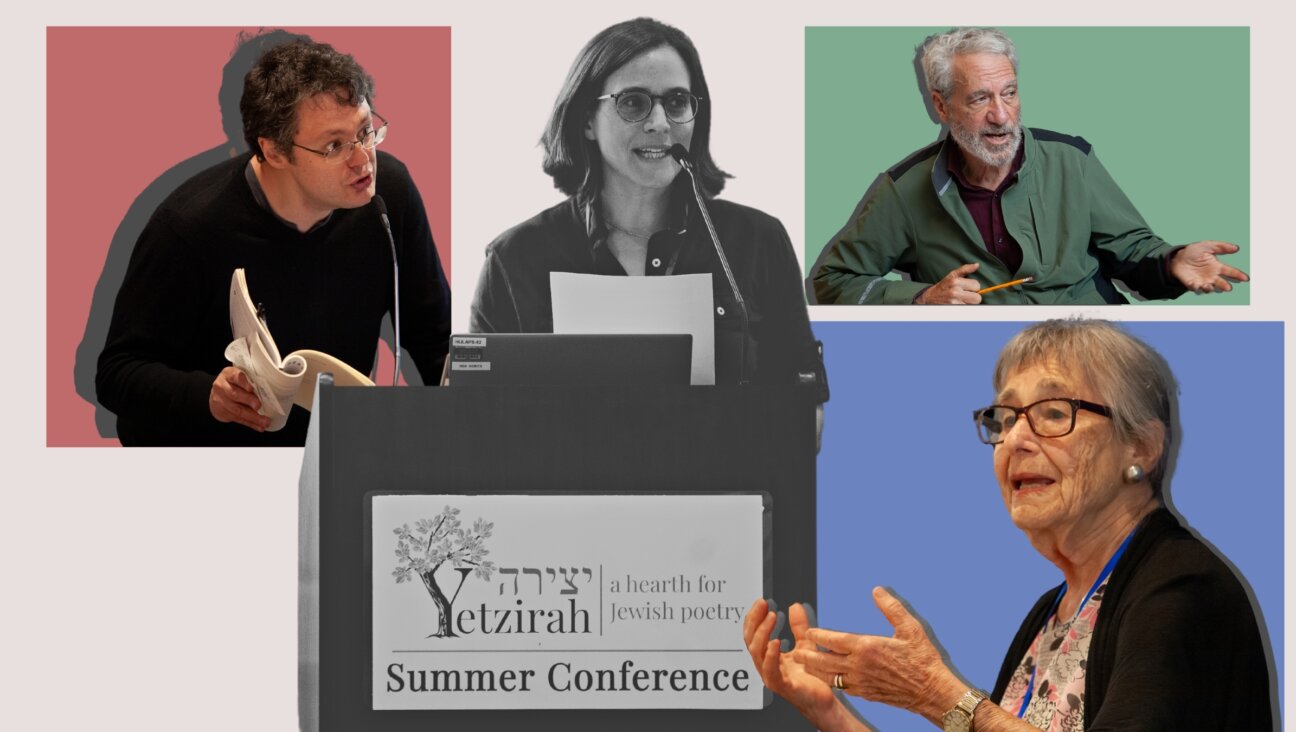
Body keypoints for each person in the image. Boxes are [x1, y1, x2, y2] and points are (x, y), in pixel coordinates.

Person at [745, 320, 1273, 730]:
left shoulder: (1182, 589)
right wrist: (830, 715)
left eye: (1052, 412)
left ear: (1141, 446)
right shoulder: (1052, 614)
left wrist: (938, 695)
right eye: (1005, 418)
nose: (1016, 440)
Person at [96, 38, 450, 446]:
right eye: (334, 145)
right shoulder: (189, 226)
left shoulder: (390, 195)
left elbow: (435, 338)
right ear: (274, 151)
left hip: (332, 449)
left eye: (366, 131)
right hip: (211, 456)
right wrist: (208, 395)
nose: (362, 159)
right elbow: (117, 373)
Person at [469, 18, 826, 402]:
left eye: (676, 102)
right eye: (634, 103)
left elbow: (805, 401)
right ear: (587, 120)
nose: (660, 123)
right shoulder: (515, 259)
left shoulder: (758, 240)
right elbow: (477, 423)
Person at [810, 28, 1249, 305]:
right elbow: (832, 282)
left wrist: (1171, 263)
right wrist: (922, 297)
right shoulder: (903, 189)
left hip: (1092, 341)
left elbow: (1132, 254)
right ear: (942, 106)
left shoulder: (1072, 160)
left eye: (1010, 93)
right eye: (980, 98)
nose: (1001, 116)